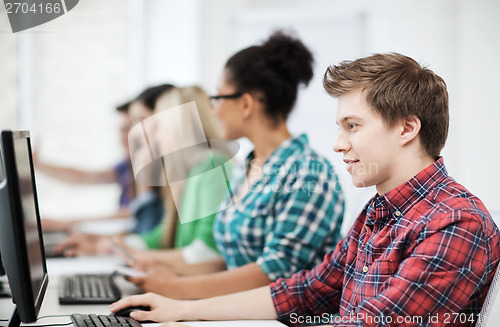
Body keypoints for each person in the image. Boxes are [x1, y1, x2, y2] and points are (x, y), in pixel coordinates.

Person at [110, 53, 500, 327]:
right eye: (340, 127)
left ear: (406, 128)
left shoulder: (454, 221)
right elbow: (307, 290)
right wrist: (182, 309)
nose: (338, 144)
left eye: (352, 126)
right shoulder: (379, 212)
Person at [122, 31, 344, 299]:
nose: (213, 110)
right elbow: (230, 260)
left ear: (247, 103)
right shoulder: (247, 166)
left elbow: (274, 272)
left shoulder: (307, 172)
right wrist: (168, 270)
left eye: (218, 98)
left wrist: (177, 288)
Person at [51, 84, 174, 256]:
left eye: (139, 122)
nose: (132, 134)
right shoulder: (140, 166)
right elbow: (147, 231)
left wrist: (100, 244)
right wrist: (100, 240)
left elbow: (153, 233)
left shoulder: (177, 171)